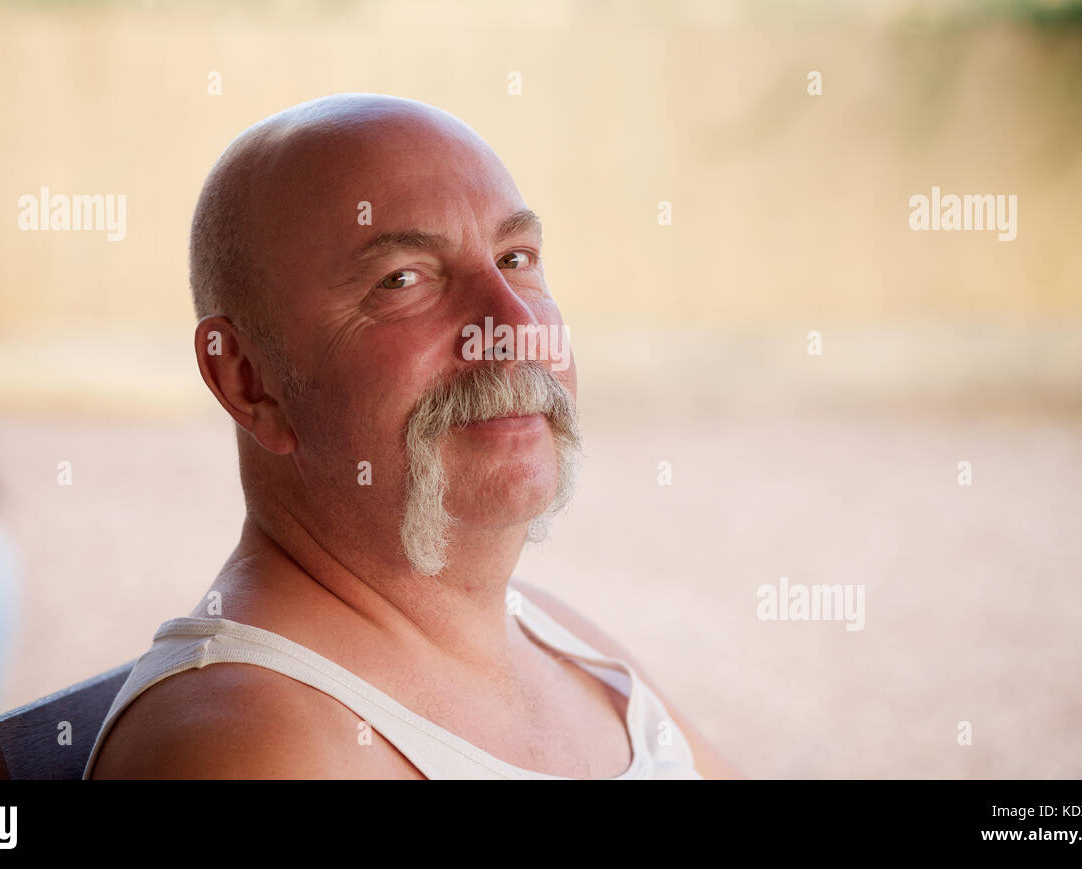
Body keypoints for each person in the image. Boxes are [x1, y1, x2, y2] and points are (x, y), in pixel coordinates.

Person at [85, 93, 738, 779]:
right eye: (402, 280)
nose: (513, 328)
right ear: (248, 379)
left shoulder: (549, 631)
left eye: (515, 259)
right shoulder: (251, 746)